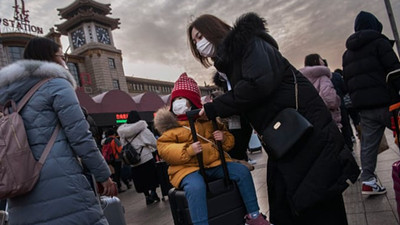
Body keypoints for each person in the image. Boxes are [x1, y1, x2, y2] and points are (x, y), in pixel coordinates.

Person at [188, 12, 360, 225]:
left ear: (214, 30)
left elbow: (258, 84)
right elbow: (243, 113)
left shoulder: (251, 44)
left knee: (319, 200)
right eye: (194, 42)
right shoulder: (229, 71)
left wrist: (216, 107)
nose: (199, 44)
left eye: (200, 36)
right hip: (285, 138)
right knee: (287, 203)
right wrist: (232, 154)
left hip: (305, 130)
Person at [0, 37, 116, 225]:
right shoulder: (56, 85)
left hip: (20, 186)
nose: (64, 62)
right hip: (61, 182)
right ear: (50, 59)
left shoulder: (8, 95)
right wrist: (103, 176)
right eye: (62, 57)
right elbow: (80, 138)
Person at [154, 73, 270, 225]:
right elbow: (165, 149)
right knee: (196, 187)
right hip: (187, 168)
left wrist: (223, 137)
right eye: (175, 100)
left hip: (214, 163)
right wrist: (188, 150)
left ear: (193, 102)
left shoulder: (208, 120)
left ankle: (254, 215)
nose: (178, 103)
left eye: (182, 99)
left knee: (241, 172)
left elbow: (229, 143)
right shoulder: (171, 128)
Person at [342, 11, 400, 195]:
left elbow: (348, 82)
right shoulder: (379, 43)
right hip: (388, 104)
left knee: (368, 145)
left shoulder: (347, 54)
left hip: (364, 108)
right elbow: (395, 72)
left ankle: (368, 180)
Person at [117, 110, 161, 205]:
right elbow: (153, 142)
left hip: (133, 160)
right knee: (151, 177)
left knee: (141, 179)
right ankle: (153, 193)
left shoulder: (123, 132)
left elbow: (123, 145)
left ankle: (147, 196)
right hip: (146, 157)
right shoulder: (142, 129)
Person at [299, 54, 342, 128]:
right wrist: (337, 101)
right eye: (321, 59)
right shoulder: (322, 77)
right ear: (316, 61)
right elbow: (330, 99)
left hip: (311, 117)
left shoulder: (301, 79)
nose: (323, 61)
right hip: (327, 116)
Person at [102, 128, 128, 193]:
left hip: (110, 159)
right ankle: (118, 187)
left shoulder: (105, 141)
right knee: (118, 173)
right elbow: (119, 149)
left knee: (114, 174)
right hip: (117, 159)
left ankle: (120, 185)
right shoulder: (114, 140)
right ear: (113, 133)